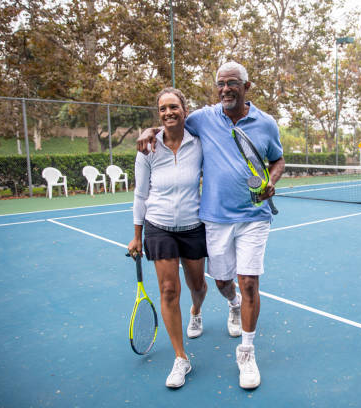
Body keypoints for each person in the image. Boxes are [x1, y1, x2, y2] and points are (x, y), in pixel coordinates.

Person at [137, 61, 285, 389]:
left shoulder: (266, 123)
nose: (225, 89)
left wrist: (272, 180)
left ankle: (246, 352)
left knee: (248, 282)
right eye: (220, 83)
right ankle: (232, 304)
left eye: (232, 83)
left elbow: (278, 159)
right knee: (221, 282)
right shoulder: (204, 118)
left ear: (247, 86)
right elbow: (170, 121)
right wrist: (149, 131)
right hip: (215, 219)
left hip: (254, 216)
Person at [127, 87, 208, 389]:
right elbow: (140, 194)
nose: (168, 113)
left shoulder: (199, 143)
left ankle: (196, 311)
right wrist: (137, 236)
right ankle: (180, 358)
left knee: (197, 285)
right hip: (158, 225)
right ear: (157, 114)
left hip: (192, 225)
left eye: (173, 107)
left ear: (185, 111)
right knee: (168, 290)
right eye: (162, 109)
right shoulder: (147, 148)